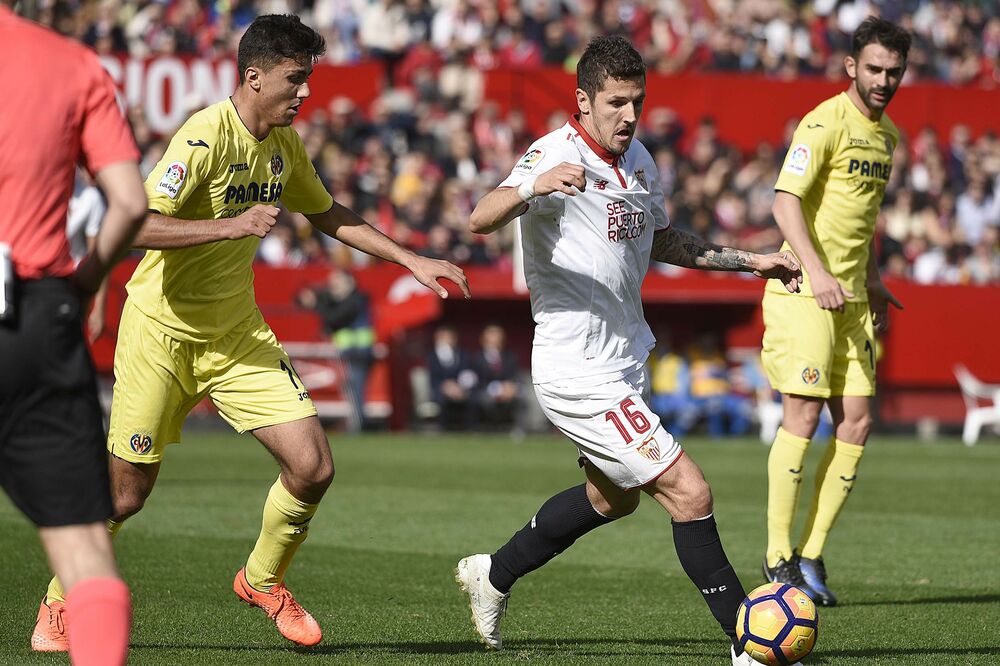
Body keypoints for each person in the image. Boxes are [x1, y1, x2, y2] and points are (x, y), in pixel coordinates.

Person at [31, 13, 469, 651]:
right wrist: (230, 226)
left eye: (309, 79)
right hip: (159, 334)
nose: (306, 93)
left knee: (313, 466)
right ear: (254, 76)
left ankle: (261, 580)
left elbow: (326, 212)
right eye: (295, 80)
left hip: (235, 336)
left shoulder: (285, 146)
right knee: (126, 496)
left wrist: (411, 258)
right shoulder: (204, 139)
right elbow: (130, 226)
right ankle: (57, 602)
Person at [456, 35, 801, 665]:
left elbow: (665, 241)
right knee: (690, 493)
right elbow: (479, 217)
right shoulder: (552, 153)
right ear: (583, 102)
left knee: (611, 498)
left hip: (624, 359)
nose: (629, 116)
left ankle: (493, 574)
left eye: (637, 102)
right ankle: (748, 645)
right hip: (576, 368)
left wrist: (753, 261)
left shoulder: (639, 158)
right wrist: (536, 185)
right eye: (616, 103)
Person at [1, 3, 148, 664]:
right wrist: (83, 284)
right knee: (84, 548)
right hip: (33, 311)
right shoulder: (72, 64)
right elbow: (130, 204)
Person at [761, 16, 909, 607]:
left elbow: (861, 221)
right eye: (873, 68)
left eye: (893, 71)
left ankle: (812, 552)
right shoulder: (823, 123)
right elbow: (783, 202)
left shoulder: (887, 136)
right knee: (802, 415)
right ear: (851, 66)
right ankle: (776, 557)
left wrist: (871, 280)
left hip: (849, 299)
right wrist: (817, 271)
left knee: (857, 422)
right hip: (805, 291)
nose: (883, 80)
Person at [298, 268, 375, 431]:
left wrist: (317, 304)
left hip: (357, 351)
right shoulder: (355, 299)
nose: (333, 286)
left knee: (355, 390)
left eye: (337, 281)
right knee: (353, 390)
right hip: (354, 351)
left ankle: (358, 426)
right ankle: (358, 424)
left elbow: (334, 317)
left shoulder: (355, 300)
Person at [470, 324, 521, 431]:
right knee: (485, 401)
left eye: (498, 337)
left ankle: (519, 429)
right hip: (484, 392)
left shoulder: (509, 357)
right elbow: (475, 381)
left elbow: (515, 377)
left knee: (522, 399)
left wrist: (510, 388)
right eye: (492, 337)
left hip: (507, 393)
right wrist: (496, 390)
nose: (496, 341)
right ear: (484, 340)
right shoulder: (476, 358)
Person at [427, 324, 475, 430]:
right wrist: (445, 387)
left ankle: (469, 428)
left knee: (472, 398)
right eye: (441, 337)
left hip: (459, 388)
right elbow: (432, 378)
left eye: (448, 337)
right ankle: (442, 428)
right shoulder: (432, 356)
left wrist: (459, 387)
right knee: (440, 399)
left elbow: (467, 374)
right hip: (439, 389)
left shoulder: (463, 354)